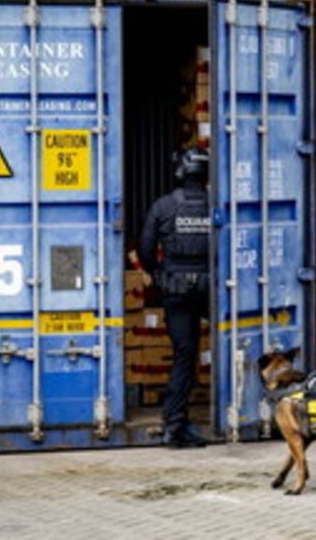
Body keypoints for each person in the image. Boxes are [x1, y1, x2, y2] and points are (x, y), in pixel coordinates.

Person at [139, 149, 211, 448]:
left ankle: (175, 425)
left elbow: (145, 249)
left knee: (185, 353)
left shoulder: (163, 206)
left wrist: (159, 274)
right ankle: (243, 415)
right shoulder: (217, 205)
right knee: (232, 344)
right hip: (215, 289)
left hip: (176, 290)